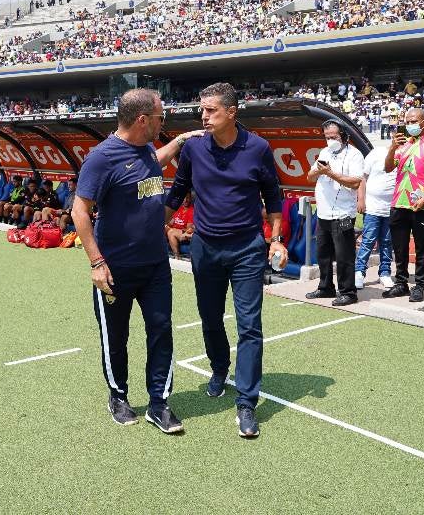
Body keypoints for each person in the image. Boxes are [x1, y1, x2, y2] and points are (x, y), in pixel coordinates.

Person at [73, 88, 200, 434]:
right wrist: (97, 262)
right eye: (161, 117)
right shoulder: (101, 158)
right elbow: (80, 210)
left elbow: (149, 163)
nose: (165, 123)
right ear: (143, 120)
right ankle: (118, 395)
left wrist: (180, 142)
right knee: (116, 337)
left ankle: (159, 403)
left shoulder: (145, 148)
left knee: (161, 331)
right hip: (114, 268)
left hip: (156, 266)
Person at [165, 82, 286, 438]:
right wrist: (152, 224)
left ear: (232, 112)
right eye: (201, 110)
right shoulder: (194, 149)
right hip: (205, 247)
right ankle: (219, 368)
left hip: (247, 248)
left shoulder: (258, 148)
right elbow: (177, 192)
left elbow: (273, 197)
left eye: (211, 110)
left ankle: (246, 402)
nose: (203, 117)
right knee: (210, 317)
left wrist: (276, 239)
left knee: (250, 325)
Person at [383, 107, 424, 303]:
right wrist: (392, 148)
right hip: (398, 202)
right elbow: (388, 168)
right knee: (399, 246)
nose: (410, 124)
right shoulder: (403, 143)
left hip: (421, 205)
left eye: (413, 121)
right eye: (407, 121)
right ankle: (401, 283)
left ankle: (419, 285)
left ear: (423, 121)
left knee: (421, 247)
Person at [305, 120, 363, 306]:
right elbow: (309, 176)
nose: (330, 140)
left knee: (344, 255)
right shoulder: (324, 152)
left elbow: (355, 182)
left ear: (344, 135)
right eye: (327, 137)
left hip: (343, 213)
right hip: (323, 212)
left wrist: (330, 173)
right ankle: (325, 287)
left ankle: (348, 292)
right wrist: (318, 172)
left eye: (334, 136)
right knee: (323, 253)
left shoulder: (354, 155)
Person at [355, 143, 396, 290]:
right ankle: (359, 272)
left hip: (392, 208)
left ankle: (385, 273)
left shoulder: (406, 153)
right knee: (368, 241)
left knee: (387, 242)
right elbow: (362, 177)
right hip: (372, 207)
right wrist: (361, 199)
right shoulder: (377, 152)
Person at [166, 193, 195, 258]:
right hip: (173, 229)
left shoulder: (192, 211)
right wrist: (166, 225)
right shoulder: (179, 209)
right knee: (162, 228)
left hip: (183, 232)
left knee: (171, 232)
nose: (185, 200)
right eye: (184, 198)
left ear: (190, 199)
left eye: (187, 198)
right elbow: (171, 222)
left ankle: (177, 256)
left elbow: (188, 229)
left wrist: (175, 229)